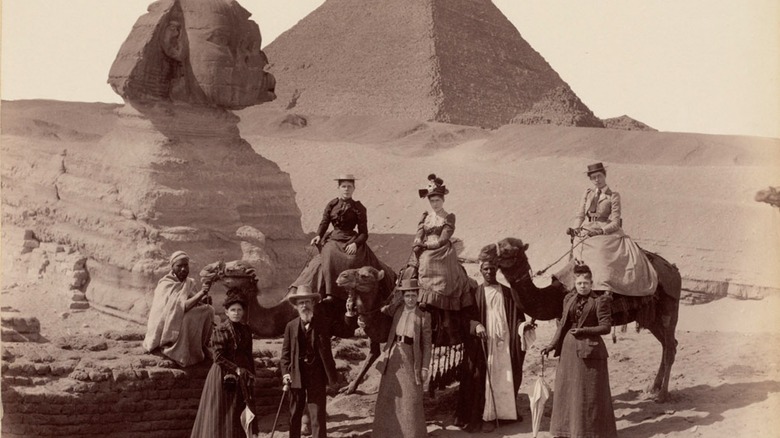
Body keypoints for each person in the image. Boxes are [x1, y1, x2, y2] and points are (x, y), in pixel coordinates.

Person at [541, 264, 617, 438]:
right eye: (579, 283)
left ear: (591, 283)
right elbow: (562, 325)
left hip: (591, 351)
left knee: (590, 392)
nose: (582, 286)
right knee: (567, 390)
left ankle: (591, 433)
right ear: (574, 283)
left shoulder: (600, 301)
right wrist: (552, 345)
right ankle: (566, 431)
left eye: (586, 283)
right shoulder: (568, 299)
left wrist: (584, 331)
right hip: (569, 349)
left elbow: (606, 327)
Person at [293, 174, 395, 300]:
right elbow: (325, 222)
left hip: (352, 239)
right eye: (343, 186)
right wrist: (318, 235)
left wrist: (355, 244)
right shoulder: (332, 204)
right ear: (339, 188)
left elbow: (364, 233)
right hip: (334, 238)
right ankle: (331, 292)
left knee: (355, 259)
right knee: (329, 254)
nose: (346, 189)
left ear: (354, 189)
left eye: (349, 187)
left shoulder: (359, 208)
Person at [564, 162, 657, 296]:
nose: (597, 180)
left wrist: (601, 231)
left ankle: (603, 283)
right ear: (590, 179)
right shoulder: (587, 193)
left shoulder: (613, 195)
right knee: (577, 243)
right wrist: (575, 229)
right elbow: (580, 215)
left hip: (605, 230)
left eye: (599, 176)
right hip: (587, 228)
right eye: (593, 177)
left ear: (604, 176)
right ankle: (578, 282)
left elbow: (615, 222)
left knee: (601, 247)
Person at [457, 260, 527, 432]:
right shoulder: (475, 293)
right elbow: (466, 317)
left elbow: (518, 317)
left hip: (504, 344)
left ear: (497, 270)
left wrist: (523, 327)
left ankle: (505, 414)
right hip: (485, 344)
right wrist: (476, 325)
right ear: (480, 271)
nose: (489, 271)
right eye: (486, 269)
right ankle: (487, 415)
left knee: (505, 377)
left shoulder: (508, 293)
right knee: (485, 378)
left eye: (492, 268)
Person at [281, 285, 358, 438]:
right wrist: (285, 374)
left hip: (317, 374)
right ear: (296, 306)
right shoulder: (291, 326)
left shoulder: (324, 322)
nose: (304, 306)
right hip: (296, 374)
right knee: (295, 414)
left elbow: (346, 331)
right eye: (301, 303)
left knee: (317, 415)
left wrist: (349, 314)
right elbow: (285, 355)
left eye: (307, 302)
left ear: (313, 303)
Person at [372, 279, 432, 438]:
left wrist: (425, 367)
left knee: (411, 398)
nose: (410, 299)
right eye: (407, 296)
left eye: (413, 295)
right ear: (403, 297)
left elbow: (427, 345)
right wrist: (398, 291)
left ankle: (413, 434)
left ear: (418, 296)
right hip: (393, 356)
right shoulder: (397, 309)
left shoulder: (424, 317)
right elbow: (383, 309)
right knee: (388, 395)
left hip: (411, 358)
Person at [190, 294, 256, 438]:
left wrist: (252, 373)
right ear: (226, 312)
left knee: (240, 410)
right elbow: (218, 357)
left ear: (243, 312)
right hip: (223, 376)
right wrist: (236, 369)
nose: (236, 313)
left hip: (242, 375)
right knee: (221, 413)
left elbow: (248, 354)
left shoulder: (246, 329)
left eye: (239, 310)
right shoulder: (221, 330)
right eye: (233, 310)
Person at [409, 174, 475, 311]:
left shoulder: (448, 217)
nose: (435, 204)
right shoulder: (426, 217)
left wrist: (426, 245)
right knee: (408, 270)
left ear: (443, 200)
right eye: (432, 201)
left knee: (427, 260)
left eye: (438, 200)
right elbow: (420, 232)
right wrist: (417, 241)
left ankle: (432, 297)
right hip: (423, 247)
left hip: (442, 249)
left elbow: (444, 238)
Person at [143, 250, 215, 367]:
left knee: (209, 310)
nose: (183, 269)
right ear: (172, 267)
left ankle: (202, 347)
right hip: (167, 326)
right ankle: (179, 351)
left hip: (178, 317)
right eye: (179, 266)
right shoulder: (165, 284)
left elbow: (194, 301)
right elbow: (181, 307)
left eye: (185, 265)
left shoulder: (189, 282)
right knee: (188, 318)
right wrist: (202, 293)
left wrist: (203, 299)